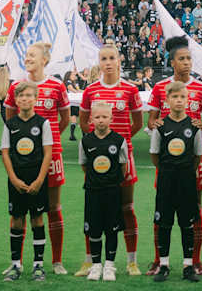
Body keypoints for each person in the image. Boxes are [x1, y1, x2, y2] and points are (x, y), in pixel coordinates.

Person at [146, 36, 202, 276]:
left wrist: (199, 127)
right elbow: (151, 121)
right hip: (167, 162)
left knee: (194, 207)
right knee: (162, 208)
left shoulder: (201, 88)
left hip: (192, 158)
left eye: (189, 59)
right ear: (172, 62)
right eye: (182, 59)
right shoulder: (159, 88)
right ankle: (159, 260)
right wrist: (159, 124)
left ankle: (194, 261)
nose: (187, 63)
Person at [5, 43, 70, 275]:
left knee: (52, 207)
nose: (27, 58)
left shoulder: (57, 86)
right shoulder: (17, 87)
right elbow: (10, 120)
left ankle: (56, 261)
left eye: (32, 55)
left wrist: (47, 145)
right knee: (20, 210)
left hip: (51, 158)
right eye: (26, 55)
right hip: (23, 160)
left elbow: (64, 119)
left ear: (44, 59)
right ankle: (17, 263)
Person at [78, 44, 143, 277]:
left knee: (126, 208)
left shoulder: (130, 90)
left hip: (123, 159)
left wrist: (119, 144)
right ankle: (90, 261)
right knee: (93, 207)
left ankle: (131, 261)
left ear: (119, 60)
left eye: (111, 58)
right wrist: (98, 147)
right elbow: (84, 123)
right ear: (99, 61)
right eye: (103, 58)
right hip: (97, 161)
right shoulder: (91, 91)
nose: (107, 62)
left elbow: (137, 123)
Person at [149, 81, 202, 283]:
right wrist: (166, 169)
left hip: (186, 180)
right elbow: (155, 155)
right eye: (175, 97)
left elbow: (197, 155)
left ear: (187, 100)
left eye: (182, 97)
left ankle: (188, 266)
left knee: (187, 224)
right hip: (166, 180)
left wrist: (186, 170)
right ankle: (163, 265)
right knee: (164, 223)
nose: (179, 100)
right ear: (167, 100)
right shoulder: (161, 126)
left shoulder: (194, 126)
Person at [1, 82, 53, 282]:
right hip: (16, 179)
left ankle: (38, 265)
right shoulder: (10, 124)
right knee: (17, 219)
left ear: (36, 99)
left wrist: (40, 179)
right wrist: (13, 178)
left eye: (29, 95)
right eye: (21, 96)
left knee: (37, 219)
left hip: (37, 179)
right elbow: (5, 153)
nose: (25, 99)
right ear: (16, 100)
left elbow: (48, 153)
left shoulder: (43, 123)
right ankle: (16, 264)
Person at [79, 101, 128, 282]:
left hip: (112, 191)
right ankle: (96, 265)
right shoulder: (86, 141)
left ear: (111, 119)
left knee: (112, 228)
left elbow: (122, 166)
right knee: (94, 229)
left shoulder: (118, 140)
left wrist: (112, 181)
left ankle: (109, 265)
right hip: (93, 191)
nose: (101, 120)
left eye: (104, 117)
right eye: (97, 117)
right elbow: (84, 165)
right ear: (91, 119)